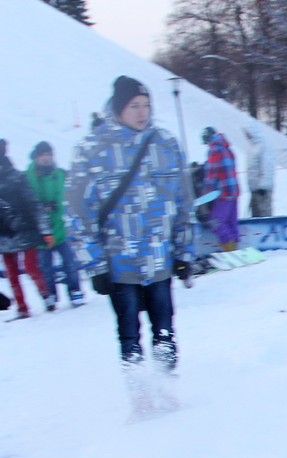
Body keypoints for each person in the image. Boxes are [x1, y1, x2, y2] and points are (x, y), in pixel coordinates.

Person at [67, 76, 194, 388]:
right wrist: (95, 265)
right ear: (118, 108)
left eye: (146, 106)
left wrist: (184, 252)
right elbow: (77, 212)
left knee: (164, 327)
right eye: (135, 106)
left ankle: (168, 386)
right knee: (128, 331)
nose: (142, 113)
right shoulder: (92, 149)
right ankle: (140, 393)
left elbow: (182, 202)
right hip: (119, 264)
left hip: (159, 258)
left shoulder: (165, 144)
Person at [26, 141, 84, 308]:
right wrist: (42, 208)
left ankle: (75, 291)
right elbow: (28, 200)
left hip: (61, 227)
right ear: (37, 157)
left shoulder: (60, 174)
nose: (47, 158)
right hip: (40, 231)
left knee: (70, 263)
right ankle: (50, 295)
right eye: (43, 155)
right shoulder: (29, 177)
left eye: (49, 155)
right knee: (46, 268)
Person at [0, 138, 53, 319]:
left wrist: (45, 230)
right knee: (12, 272)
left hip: (24, 228)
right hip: (6, 232)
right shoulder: (17, 176)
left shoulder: (17, 177)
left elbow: (33, 203)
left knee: (29, 268)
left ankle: (45, 295)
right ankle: (23, 307)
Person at [201, 126, 240, 251]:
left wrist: (206, 194)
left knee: (216, 221)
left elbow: (211, 174)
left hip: (223, 192)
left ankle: (229, 247)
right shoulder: (227, 148)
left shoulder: (215, 150)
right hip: (234, 191)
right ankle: (235, 248)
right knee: (231, 222)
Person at [244, 126, 274, 217]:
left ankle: (268, 230)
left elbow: (267, 166)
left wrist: (263, 185)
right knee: (255, 215)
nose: (247, 136)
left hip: (262, 190)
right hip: (254, 189)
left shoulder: (263, 146)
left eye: (249, 134)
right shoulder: (252, 148)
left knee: (264, 214)